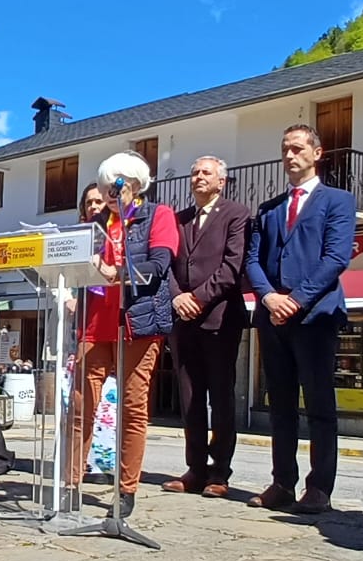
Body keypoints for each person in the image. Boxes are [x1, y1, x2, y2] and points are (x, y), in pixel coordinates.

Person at [245, 126, 356, 513]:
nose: (290, 156)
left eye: (297, 148)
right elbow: (253, 261)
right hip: (273, 318)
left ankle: (320, 486)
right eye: (284, 149)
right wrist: (269, 297)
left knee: (320, 404)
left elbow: (336, 258)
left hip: (315, 316)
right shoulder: (269, 209)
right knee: (281, 405)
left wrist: (297, 299)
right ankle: (282, 482)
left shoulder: (338, 201)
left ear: (317, 153)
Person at [69, 152, 178, 518]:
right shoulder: (97, 222)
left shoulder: (158, 216)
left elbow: (159, 264)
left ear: (132, 183)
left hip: (138, 322)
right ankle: (70, 483)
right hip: (94, 322)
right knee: (81, 406)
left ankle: (127, 489)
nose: (106, 193)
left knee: (133, 407)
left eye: (112, 185)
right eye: (102, 186)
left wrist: (117, 271)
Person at [164, 156, 252, 498]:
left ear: (222, 181)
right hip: (183, 322)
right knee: (190, 398)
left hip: (219, 319)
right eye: (194, 172)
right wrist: (177, 298)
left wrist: (197, 299)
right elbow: (166, 264)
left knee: (221, 397)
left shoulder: (236, 214)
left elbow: (232, 267)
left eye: (205, 173)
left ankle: (219, 472)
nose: (198, 177)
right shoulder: (179, 219)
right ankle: (195, 468)